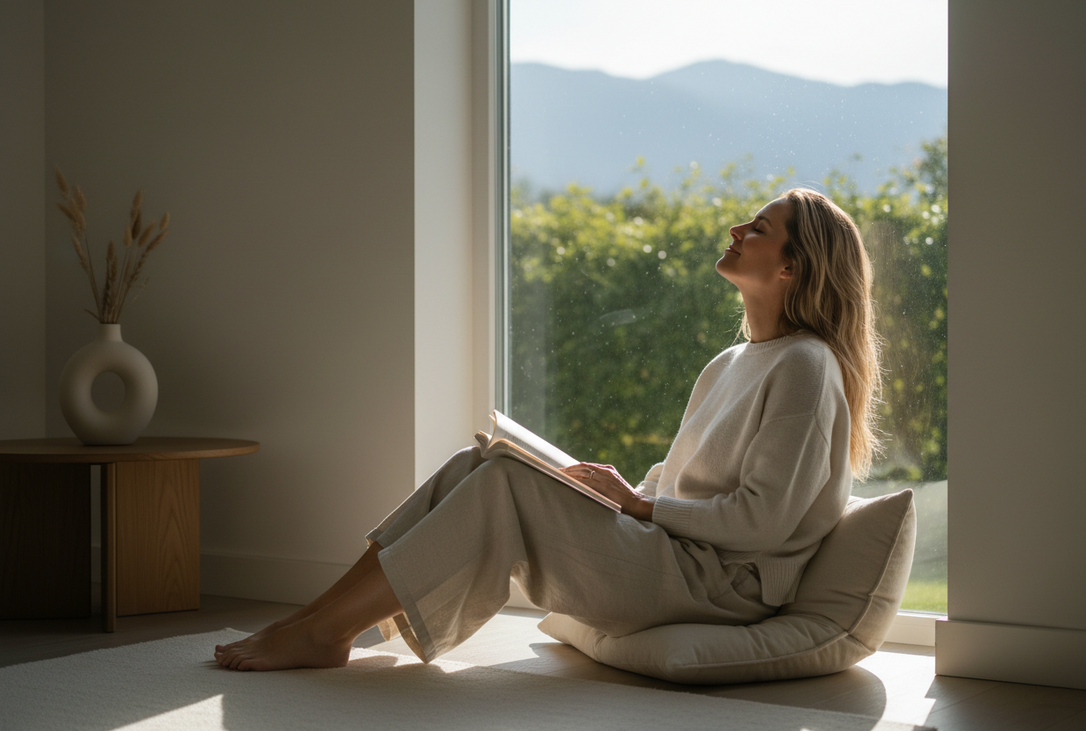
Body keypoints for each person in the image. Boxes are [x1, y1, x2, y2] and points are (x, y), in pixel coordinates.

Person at [214, 188, 881, 672]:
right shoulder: (732, 361)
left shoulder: (805, 366)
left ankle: (324, 631)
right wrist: (599, 490)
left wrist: (640, 504)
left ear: (791, 267)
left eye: (759, 227)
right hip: (672, 554)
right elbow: (675, 478)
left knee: (503, 482)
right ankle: (313, 620)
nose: (738, 227)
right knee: (480, 460)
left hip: (716, 587)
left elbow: (762, 521)